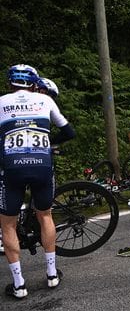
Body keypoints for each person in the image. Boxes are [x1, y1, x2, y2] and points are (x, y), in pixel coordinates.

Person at [1, 64, 76, 299]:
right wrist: (47, 140)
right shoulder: (45, 101)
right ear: (35, 85)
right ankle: (52, 275)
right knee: (45, 215)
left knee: (8, 224)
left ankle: (19, 284)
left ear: (9, 83)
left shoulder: (1, 101)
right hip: (42, 163)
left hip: (11, 168)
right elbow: (69, 132)